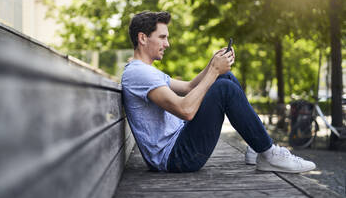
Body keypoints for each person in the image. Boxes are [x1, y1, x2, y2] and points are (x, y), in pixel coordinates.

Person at [121, 11, 316, 173]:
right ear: (143, 38)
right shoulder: (139, 74)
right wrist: (214, 70)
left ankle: (257, 149)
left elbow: (189, 87)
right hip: (176, 157)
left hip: (180, 143)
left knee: (225, 78)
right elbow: (185, 110)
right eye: (162, 37)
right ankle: (269, 154)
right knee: (223, 87)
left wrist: (212, 64)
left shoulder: (147, 71)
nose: (167, 44)